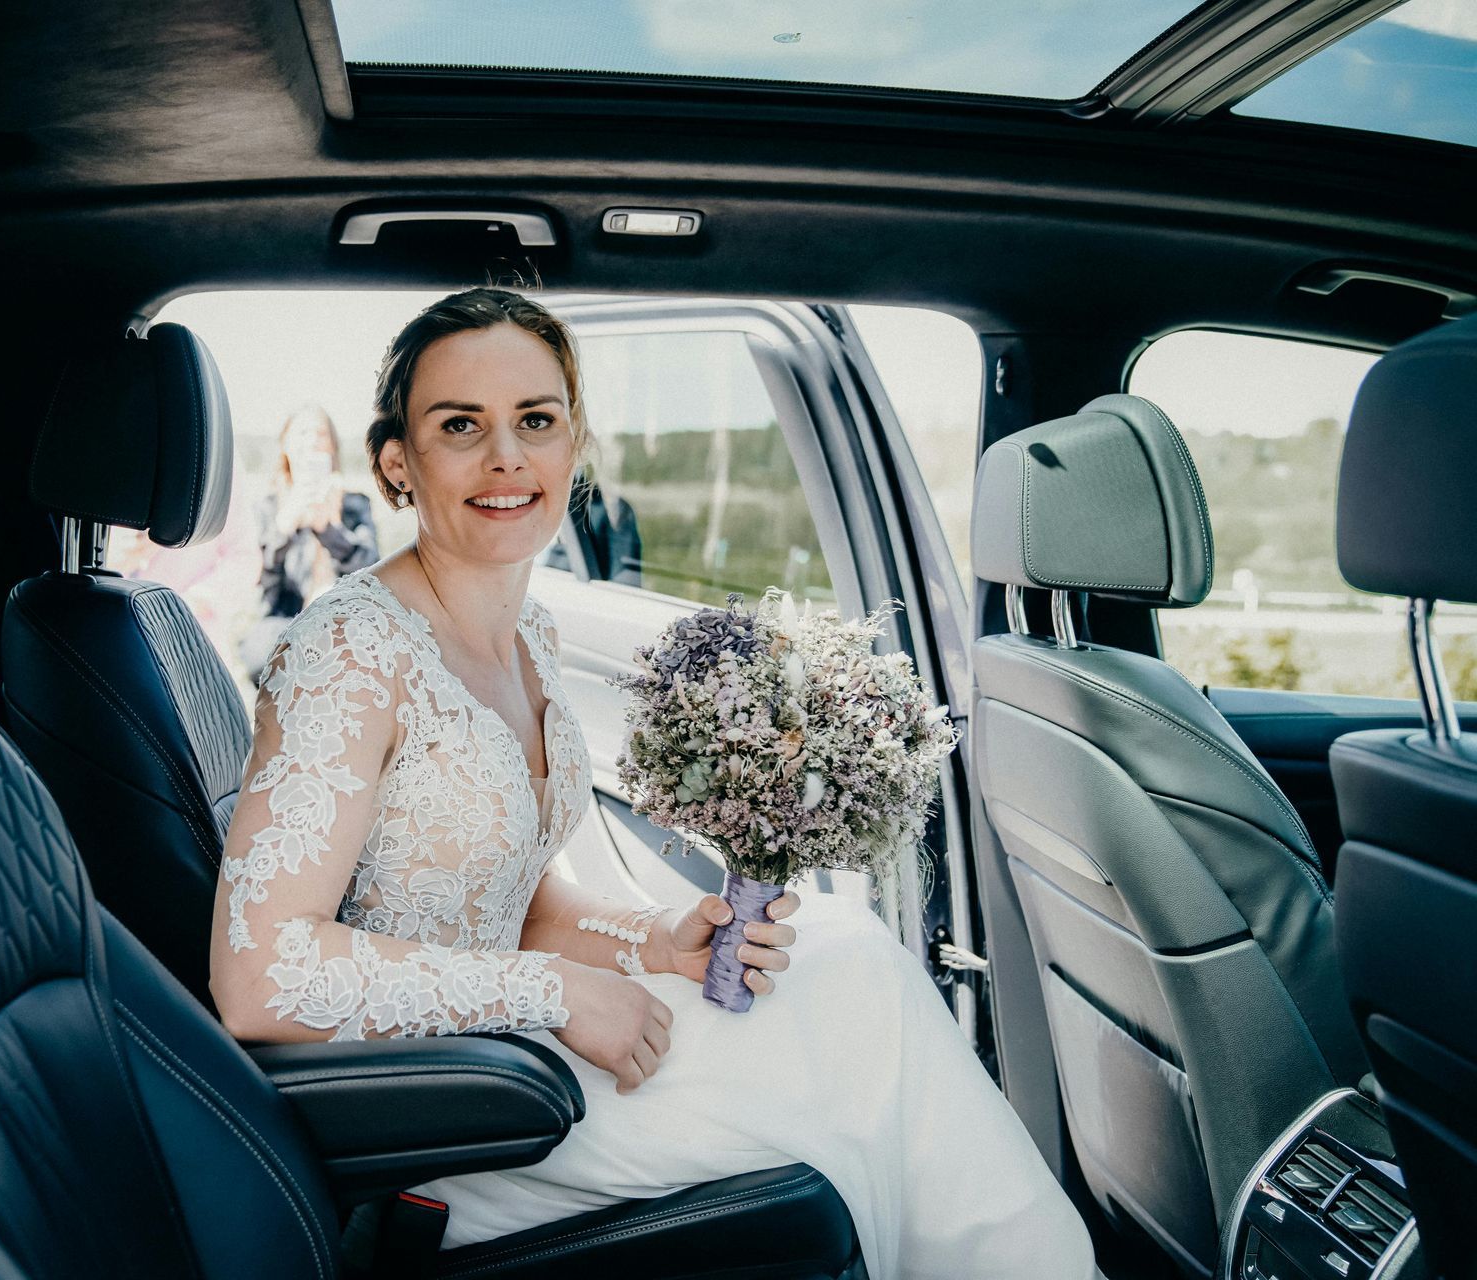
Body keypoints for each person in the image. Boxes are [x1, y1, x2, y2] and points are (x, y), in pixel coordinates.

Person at [209, 289, 1098, 1278]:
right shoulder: (349, 649)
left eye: (536, 421)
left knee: (848, 956)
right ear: (396, 462)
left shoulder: (530, 638)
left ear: (573, 446)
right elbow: (261, 976)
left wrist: (657, 939)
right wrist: (553, 992)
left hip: (512, 1043)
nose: (507, 456)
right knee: (865, 1028)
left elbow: (513, 897)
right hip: (453, 1112)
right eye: (461, 425)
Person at [239, 405, 379, 679]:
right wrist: (284, 528)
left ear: (333, 447)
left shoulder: (355, 504)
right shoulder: (268, 508)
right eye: (302, 433)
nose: (312, 440)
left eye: (321, 433)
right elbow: (259, 583)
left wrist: (329, 529)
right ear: (286, 446)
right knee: (264, 654)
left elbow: (373, 571)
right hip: (284, 617)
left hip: (345, 616)